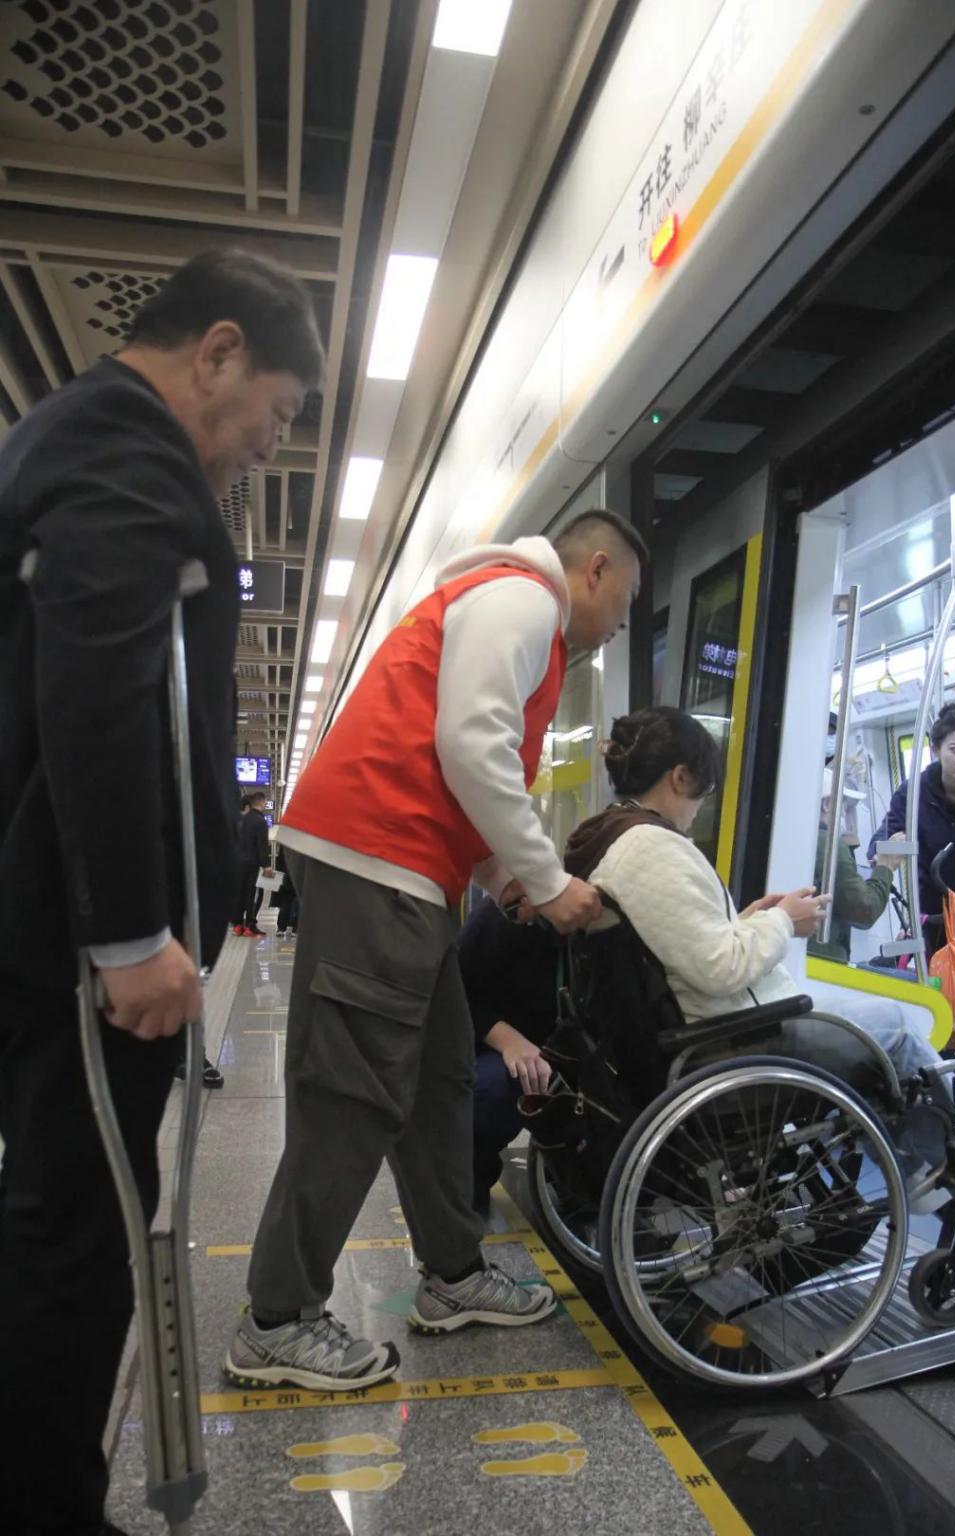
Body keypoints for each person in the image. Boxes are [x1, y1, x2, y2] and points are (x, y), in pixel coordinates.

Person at [0, 248, 322, 1536]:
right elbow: (99, 679)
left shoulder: (70, 434)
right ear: (219, 350)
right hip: (74, 943)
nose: (266, 449)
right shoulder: (126, 448)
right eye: (276, 416)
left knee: (59, 1219)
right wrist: (130, 935)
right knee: (77, 1237)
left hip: (49, 924)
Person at [226, 510, 645, 1390]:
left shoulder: (510, 611)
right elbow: (471, 744)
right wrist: (548, 878)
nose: (623, 620)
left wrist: (507, 878)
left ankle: (453, 1273)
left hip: (407, 870)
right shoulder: (524, 599)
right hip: (380, 859)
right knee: (353, 1095)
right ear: (597, 569)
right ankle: (276, 1318)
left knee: (437, 1078)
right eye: (629, 598)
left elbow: (458, 773)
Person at [563, 706, 955, 1219]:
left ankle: (920, 1170)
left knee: (872, 1026)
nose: (700, 806)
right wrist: (784, 920)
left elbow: (679, 948)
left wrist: (747, 919)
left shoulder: (608, 838)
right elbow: (721, 968)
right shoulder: (654, 849)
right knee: (893, 1026)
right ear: (680, 777)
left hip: (701, 1024)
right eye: (704, 789)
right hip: (731, 1035)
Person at [456, 898, 560, 1210]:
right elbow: (456, 994)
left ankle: (574, 1176)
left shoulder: (599, 926)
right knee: (497, 1086)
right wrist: (507, 1040)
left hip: (564, 1051)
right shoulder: (497, 917)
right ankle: (471, 1171)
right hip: (492, 1050)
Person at [868, 704, 955, 958]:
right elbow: (886, 834)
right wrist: (882, 851)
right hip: (933, 912)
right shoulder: (913, 793)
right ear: (935, 750)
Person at [810, 767, 903, 963]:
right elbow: (864, 910)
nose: (845, 813)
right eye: (844, 804)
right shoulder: (831, 846)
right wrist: (885, 867)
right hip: (822, 960)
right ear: (826, 804)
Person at [232, 790, 274, 936]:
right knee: (252, 895)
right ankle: (250, 926)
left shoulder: (241, 820)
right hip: (252, 864)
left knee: (240, 893)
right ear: (262, 802)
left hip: (238, 863)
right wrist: (266, 865)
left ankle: (238, 925)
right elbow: (261, 845)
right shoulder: (260, 821)